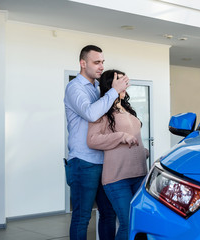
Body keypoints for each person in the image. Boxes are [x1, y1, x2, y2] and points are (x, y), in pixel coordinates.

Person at [64, 45, 129, 240]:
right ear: (83, 64)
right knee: (82, 217)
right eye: (96, 62)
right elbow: (92, 114)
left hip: (105, 161)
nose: (101, 66)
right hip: (83, 162)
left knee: (108, 214)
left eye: (102, 62)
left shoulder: (96, 88)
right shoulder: (74, 88)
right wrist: (113, 91)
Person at [87, 69, 149, 240]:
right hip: (117, 178)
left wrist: (143, 152)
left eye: (125, 81)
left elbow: (134, 138)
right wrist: (121, 136)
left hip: (139, 175)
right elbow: (92, 140)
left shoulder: (126, 109)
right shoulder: (101, 111)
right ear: (110, 85)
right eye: (120, 81)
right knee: (128, 223)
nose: (125, 85)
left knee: (139, 223)